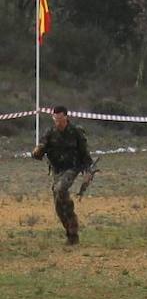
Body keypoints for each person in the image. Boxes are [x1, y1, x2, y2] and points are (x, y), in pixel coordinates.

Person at [31, 105, 94, 245]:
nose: (58, 122)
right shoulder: (50, 133)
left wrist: (88, 171)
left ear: (66, 117)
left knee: (60, 189)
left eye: (60, 119)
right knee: (59, 205)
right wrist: (37, 151)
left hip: (72, 167)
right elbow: (40, 151)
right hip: (57, 170)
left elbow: (85, 153)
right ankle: (71, 233)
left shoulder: (76, 132)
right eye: (55, 119)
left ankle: (72, 226)